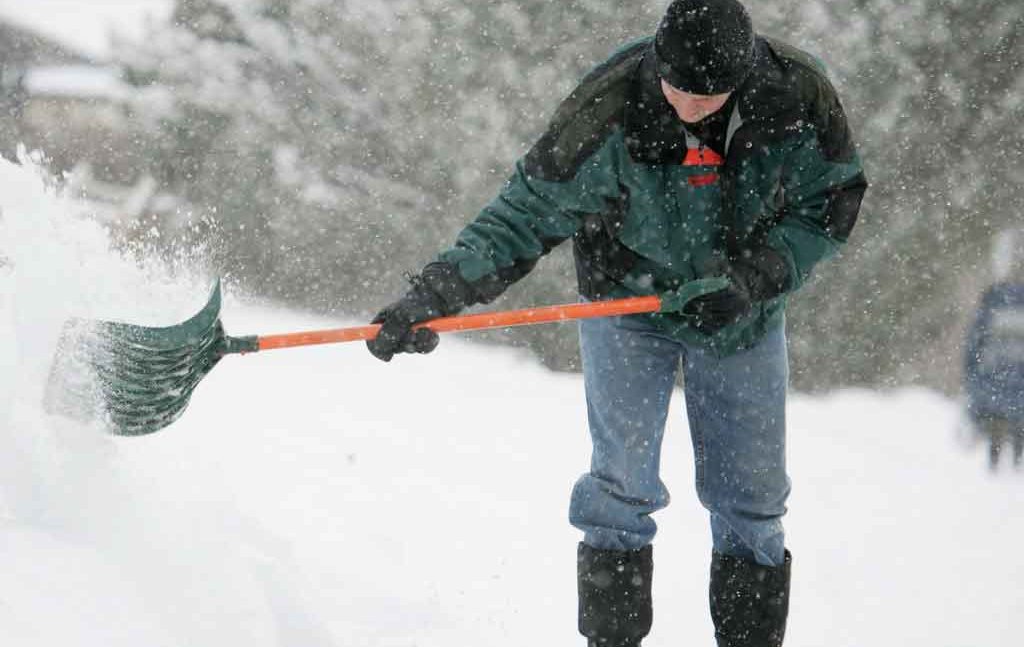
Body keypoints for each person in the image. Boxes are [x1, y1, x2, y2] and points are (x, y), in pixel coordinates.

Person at [366, 1, 867, 645]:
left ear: (740, 79)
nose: (688, 105)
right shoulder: (605, 111)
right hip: (626, 304)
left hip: (742, 312)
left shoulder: (794, 97)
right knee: (621, 485)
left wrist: (756, 278)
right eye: (676, 87)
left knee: (752, 497)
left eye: (707, 95)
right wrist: (430, 297)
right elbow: (521, 214)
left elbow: (833, 200)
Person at [964, 228, 1024, 471]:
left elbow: (973, 346)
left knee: (996, 433)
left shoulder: (992, 302)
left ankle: (995, 466)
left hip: (992, 385)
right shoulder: (996, 302)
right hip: (1018, 388)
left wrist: (972, 380)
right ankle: (1015, 464)